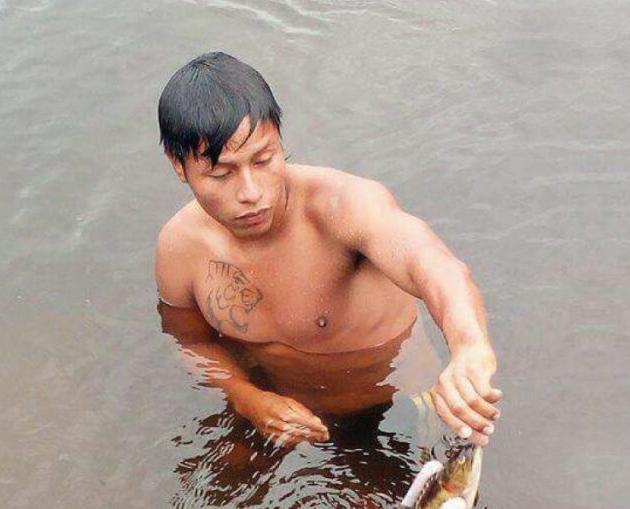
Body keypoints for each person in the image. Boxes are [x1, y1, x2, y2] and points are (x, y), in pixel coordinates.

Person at [155, 51, 501, 449]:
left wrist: (470, 347)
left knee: (440, 504)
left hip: (394, 404)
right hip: (282, 409)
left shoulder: (342, 208)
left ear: (279, 140)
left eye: (265, 160)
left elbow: (433, 265)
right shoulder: (180, 247)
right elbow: (191, 342)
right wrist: (246, 397)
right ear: (179, 166)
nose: (251, 193)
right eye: (221, 173)